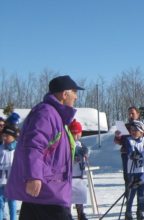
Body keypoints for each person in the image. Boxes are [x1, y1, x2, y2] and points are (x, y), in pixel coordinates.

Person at [5, 75, 84, 220]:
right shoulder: (46, 113)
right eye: (74, 92)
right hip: (48, 191)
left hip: (48, 190)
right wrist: (33, 176)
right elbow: (33, 145)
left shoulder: (56, 115)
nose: (76, 97)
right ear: (64, 94)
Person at [123, 121, 144, 220]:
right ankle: (128, 212)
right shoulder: (129, 140)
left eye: (136, 130)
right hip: (132, 171)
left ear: (141, 132)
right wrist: (133, 155)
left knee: (141, 193)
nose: (133, 132)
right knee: (131, 193)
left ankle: (140, 212)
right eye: (132, 130)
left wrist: (141, 155)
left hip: (142, 171)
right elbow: (129, 154)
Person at [0, 125, 18, 220]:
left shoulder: (18, 149)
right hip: (1, 181)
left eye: (7, 136)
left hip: (12, 182)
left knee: (12, 203)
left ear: (13, 137)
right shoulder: (1, 148)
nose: (4, 138)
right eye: (3, 135)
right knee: (0, 203)